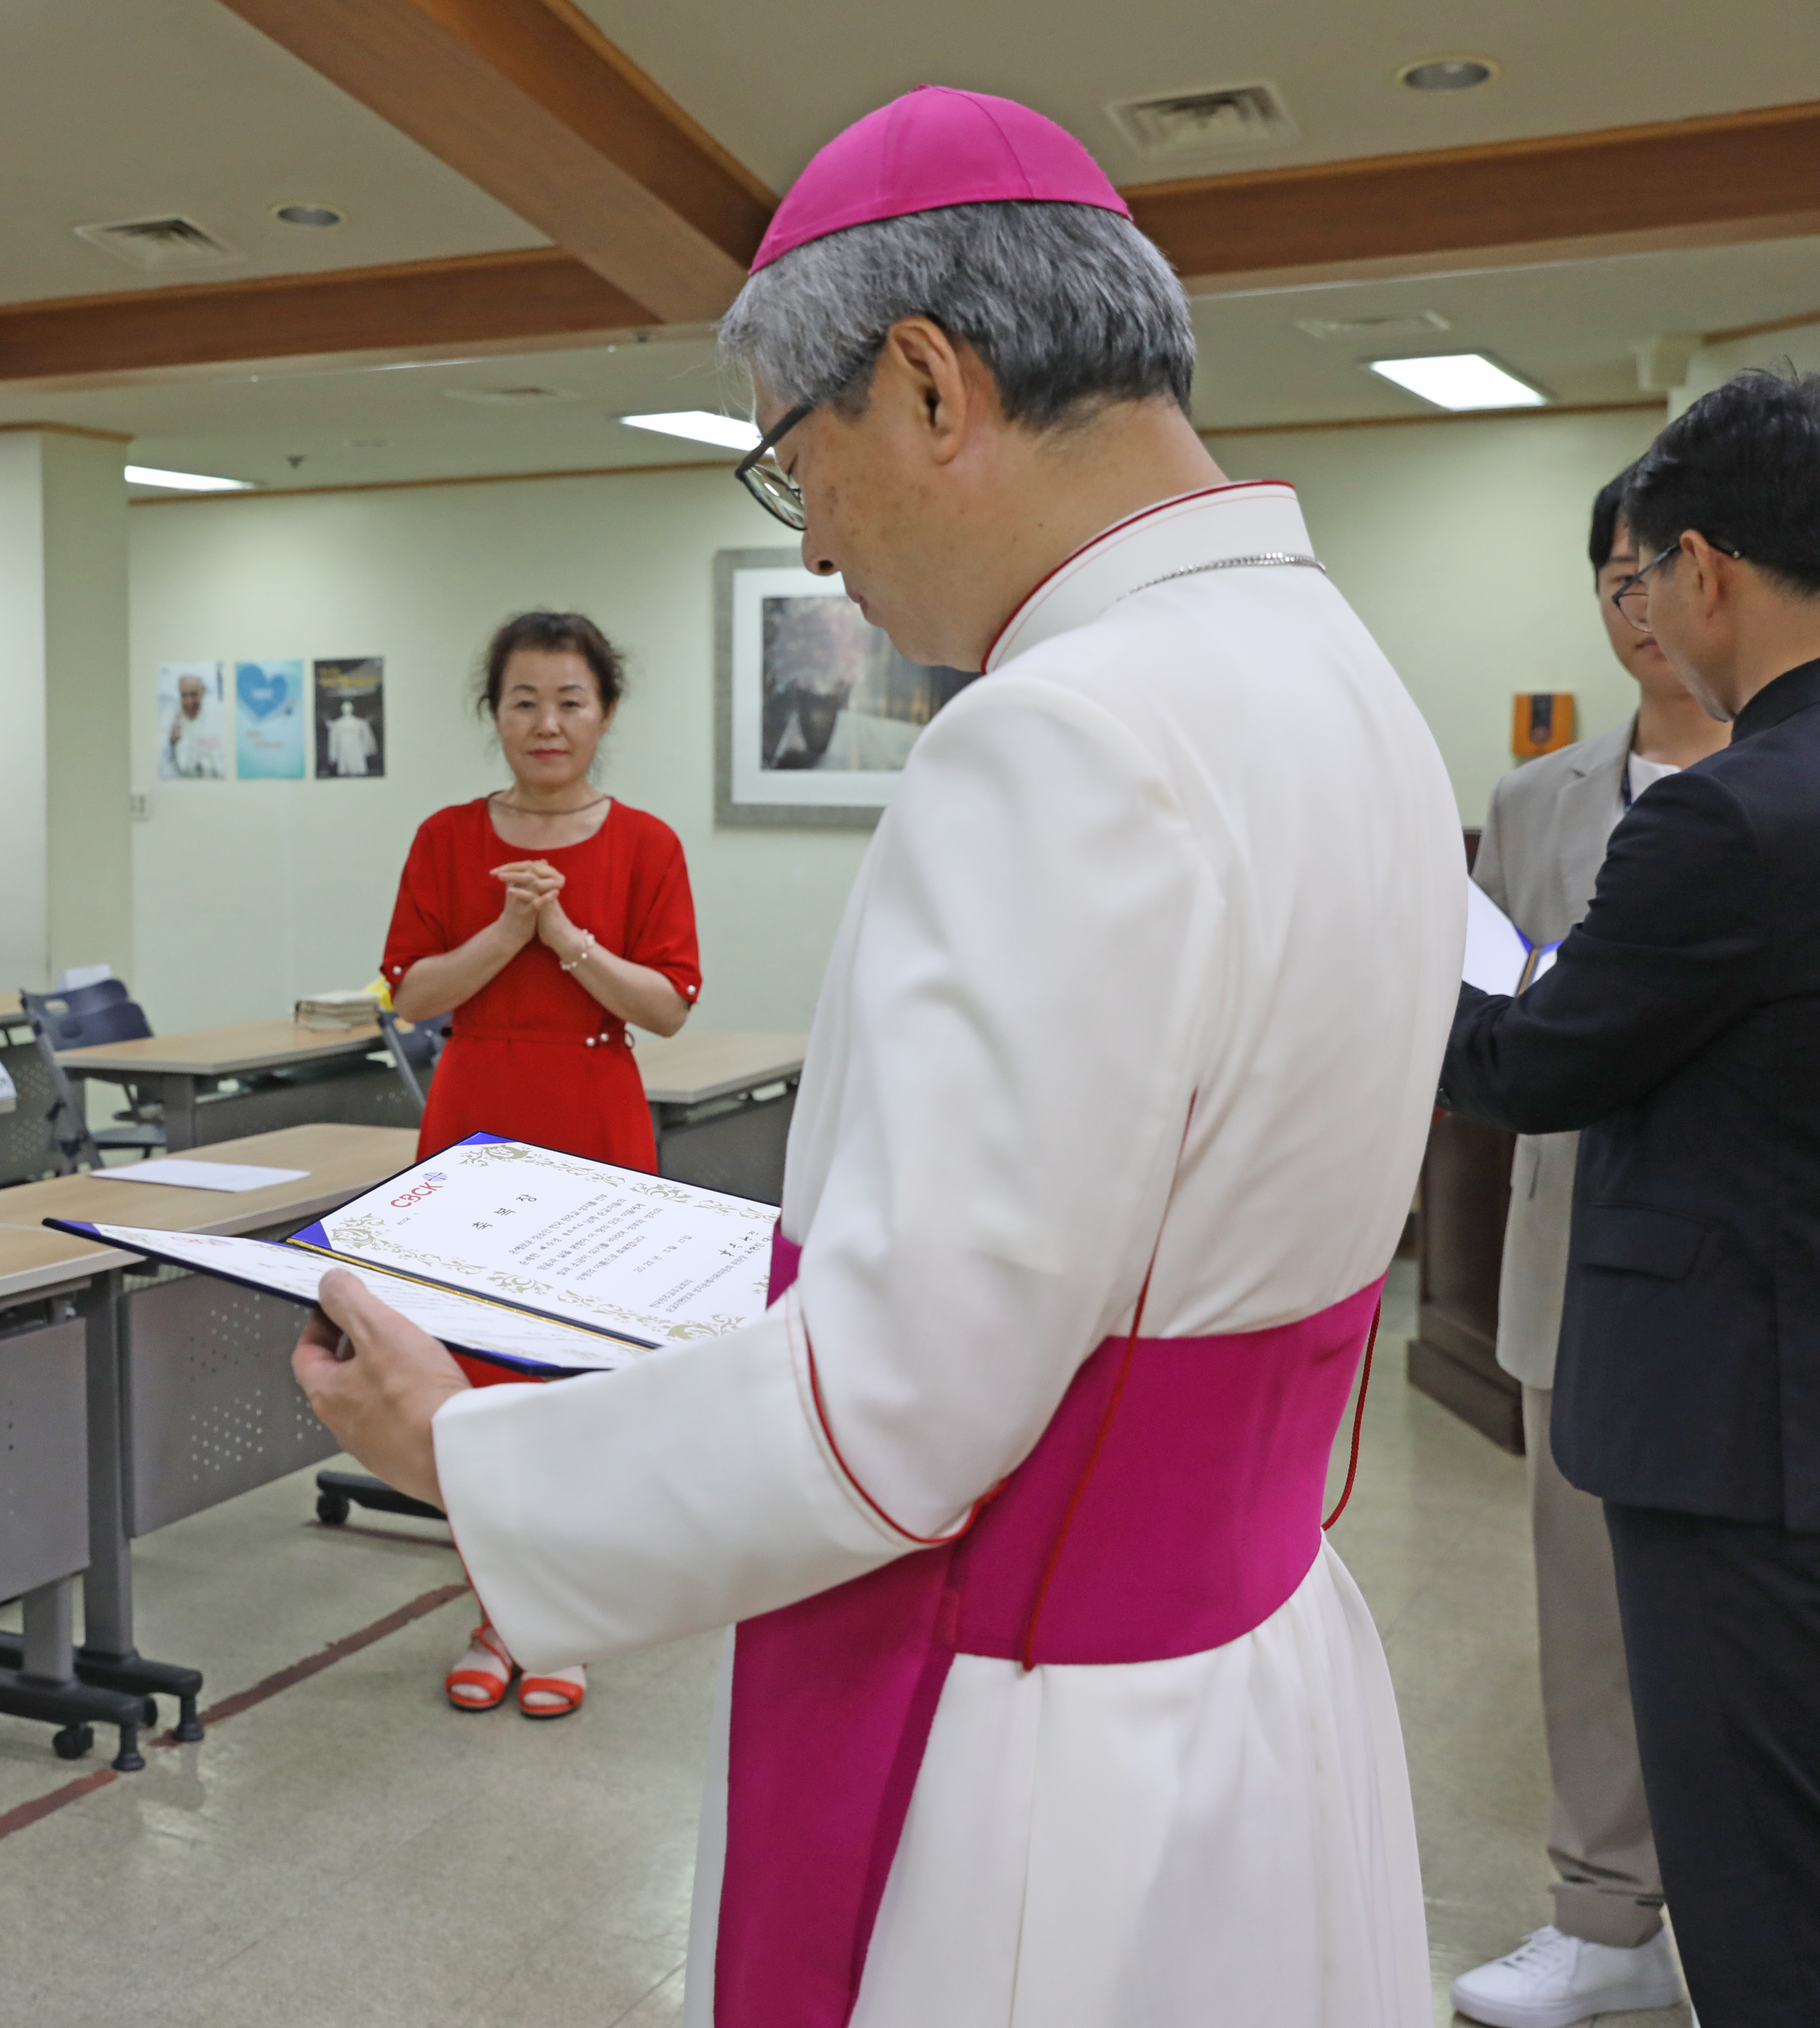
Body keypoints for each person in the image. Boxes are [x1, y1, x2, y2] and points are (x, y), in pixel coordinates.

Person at [294, 87, 1460, 2028]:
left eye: (794, 460)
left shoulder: (1053, 739)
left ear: (926, 384)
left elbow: (887, 1413)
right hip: (1249, 1652)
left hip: (1037, 1744)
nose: (815, 537)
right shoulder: (1327, 666)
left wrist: (464, 1447)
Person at [1441, 368, 1820, 2028]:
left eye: (1647, 571)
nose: (1643, 609)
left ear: (1704, 568)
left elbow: (1534, 1069)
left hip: (1737, 1423)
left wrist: (1369, 944)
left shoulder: (1727, 820)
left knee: (1752, 1876)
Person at [1446, 470, 1719, 2028]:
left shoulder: (1786, 776)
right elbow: (1499, 1026)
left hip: (1754, 1253)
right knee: (1589, 1604)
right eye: (1617, 584)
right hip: (1579, 1256)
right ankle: (1605, 1912)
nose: (1646, 615)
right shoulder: (1548, 800)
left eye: (1668, 577)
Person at [377, 610, 700, 1718]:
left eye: (570, 700)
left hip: (595, 1113)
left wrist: (568, 943)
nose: (546, 723)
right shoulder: (447, 838)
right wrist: (505, 940)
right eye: (524, 701)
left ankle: (559, 1620)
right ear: (494, 715)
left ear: (605, 712)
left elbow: (665, 1008)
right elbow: (411, 995)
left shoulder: (648, 844)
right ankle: (497, 1609)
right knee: (473, 1383)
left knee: (578, 1376)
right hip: (475, 1115)